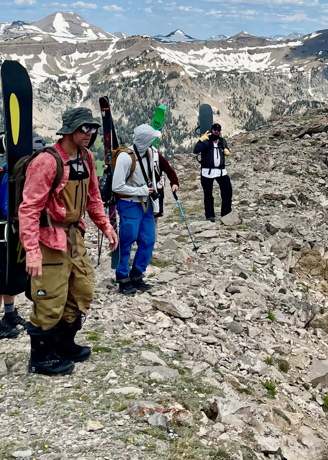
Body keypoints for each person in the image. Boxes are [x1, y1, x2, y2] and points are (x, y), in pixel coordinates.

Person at [19, 107, 117, 376]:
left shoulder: (86, 158)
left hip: (76, 236)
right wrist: (32, 251)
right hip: (49, 239)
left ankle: (64, 343)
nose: (90, 133)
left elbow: (94, 196)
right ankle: (42, 357)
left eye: (93, 128)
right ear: (70, 130)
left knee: (82, 290)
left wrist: (105, 226)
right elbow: (29, 209)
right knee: (50, 298)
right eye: (85, 128)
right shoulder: (47, 162)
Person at [0, 134, 43, 341]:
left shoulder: (13, 174)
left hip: (10, 233)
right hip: (2, 235)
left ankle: (9, 314)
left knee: (11, 275)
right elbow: (8, 208)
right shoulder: (10, 177)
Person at [111, 124, 179, 296]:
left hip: (145, 204)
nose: (153, 142)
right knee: (127, 240)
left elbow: (152, 180)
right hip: (129, 203)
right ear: (144, 140)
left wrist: (153, 203)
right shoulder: (125, 158)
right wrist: (140, 191)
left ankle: (137, 274)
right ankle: (122, 277)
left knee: (148, 240)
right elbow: (117, 186)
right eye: (151, 139)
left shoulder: (150, 154)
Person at [194, 123, 232, 222]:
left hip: (221, 171)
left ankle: (226, 213)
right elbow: (195, 150)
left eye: (218, 130)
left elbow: (226, 149)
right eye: (215, 129)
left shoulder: (222, 141)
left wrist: (227, 150)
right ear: (211, 130)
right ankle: (210, 215)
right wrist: (200, 140)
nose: (216, 131)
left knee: (227, 191)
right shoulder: (206, 141)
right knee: (208, 194)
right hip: (207, 172)